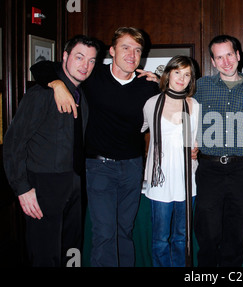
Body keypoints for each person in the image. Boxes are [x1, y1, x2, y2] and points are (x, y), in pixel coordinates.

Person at [30, 27, 160, 267]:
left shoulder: (148, 87)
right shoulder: (94, 75)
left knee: (124, 232)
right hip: (98, 167)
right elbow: (39, 68)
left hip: (132, 167)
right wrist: (57, 84)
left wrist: (160, 81)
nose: (132, 55)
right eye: (125, 48)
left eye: (137, 50)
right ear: (111, 51)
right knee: (104, 233)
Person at [3, 35, 100, 266]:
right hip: (43, 186)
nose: (85, 65)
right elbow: (14, 143)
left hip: (75, 183)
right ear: (65, 57)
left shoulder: (83, 94)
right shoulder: (42, 94)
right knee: (46, 256)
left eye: (91, 60)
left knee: (71, 253)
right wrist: (22, 188)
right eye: (79, 57)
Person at [193, 35, 243, 267]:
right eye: (219, 57)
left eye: (229, 54)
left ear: (238, 55)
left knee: (235, 233)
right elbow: (178, 107)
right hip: (209, 168)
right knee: (208, 234)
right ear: (213, 61)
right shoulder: (200, 86)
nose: (226, 61)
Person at [141, 55, 199, 267]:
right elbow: (136, 129)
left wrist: (197, 148)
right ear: (168, 74)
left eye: (187, 74)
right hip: (160, 181)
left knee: (181, 238)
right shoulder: (151, 104)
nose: (181, 78)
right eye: (177, 72)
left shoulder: (194, 105)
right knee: (159, 239)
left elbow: (197, 139)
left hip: (186, 181)